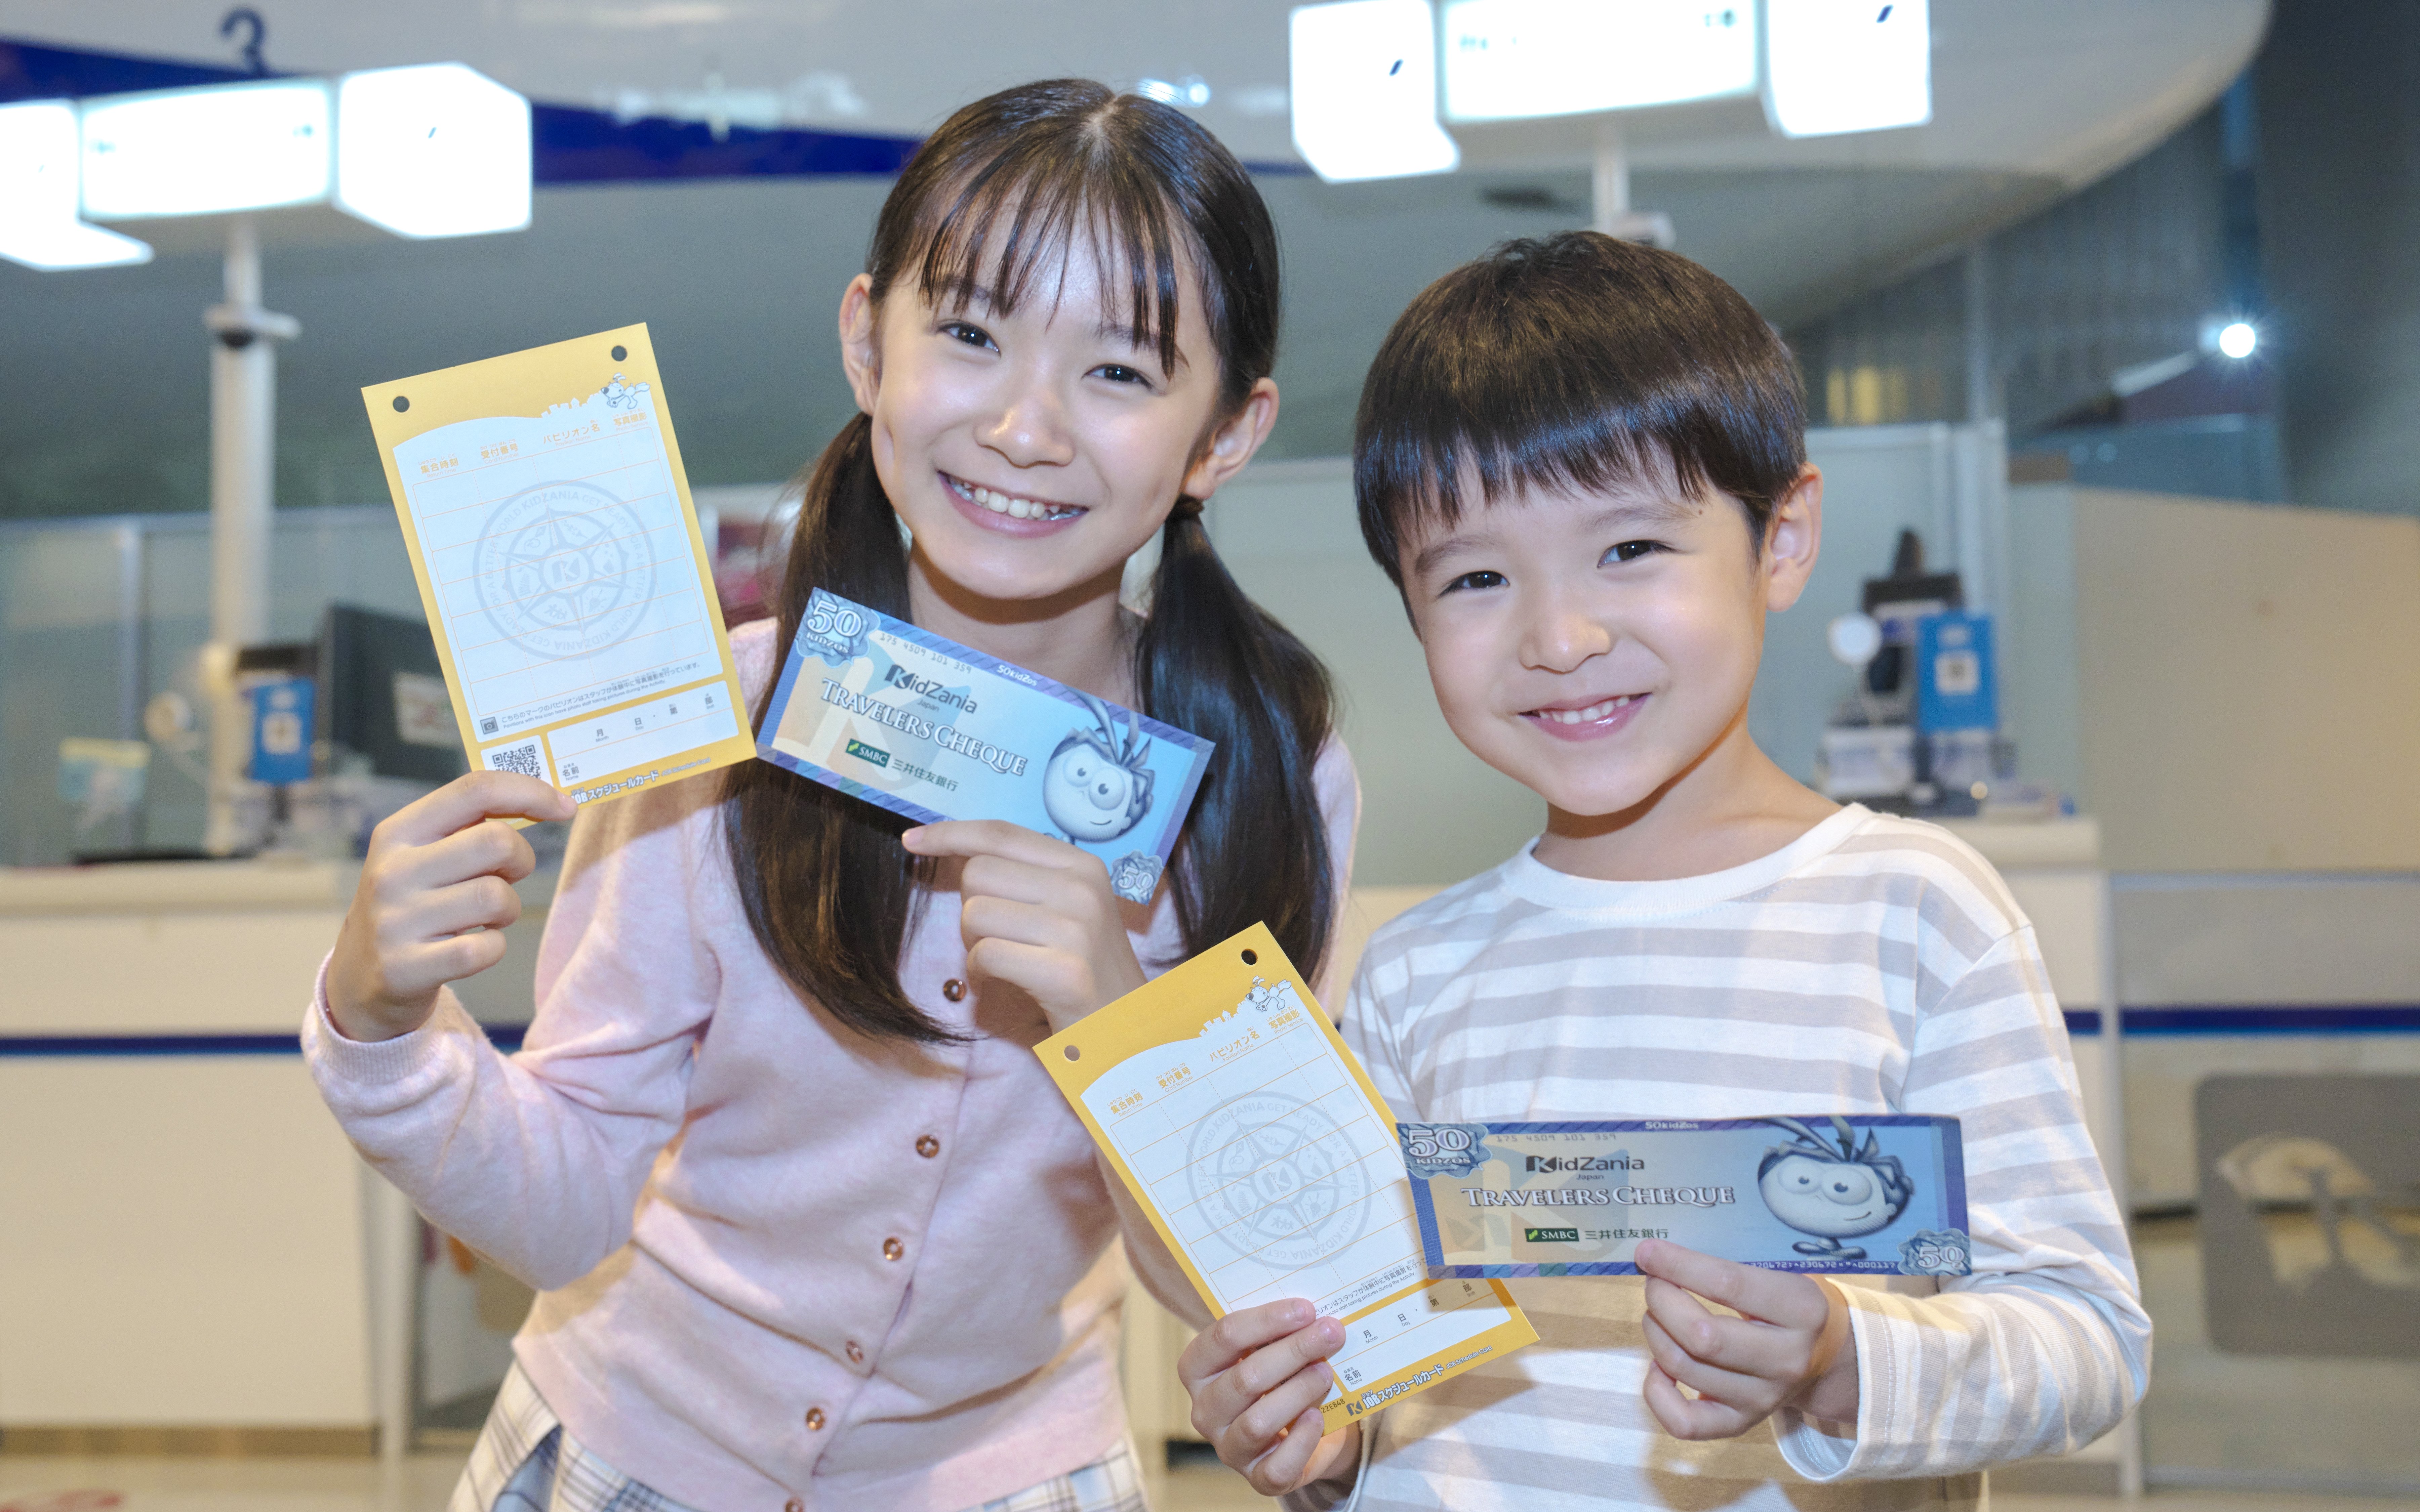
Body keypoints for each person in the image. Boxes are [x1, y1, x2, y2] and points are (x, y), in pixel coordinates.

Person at [307, 80, 1358, 1512]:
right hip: (633, 1453)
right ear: (871, 341)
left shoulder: (1270, 777)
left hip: (1013, 1473)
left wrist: (1125, 1030)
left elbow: (1241, 1279)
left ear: (1225, 436)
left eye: (1120, 372)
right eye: (972, 335)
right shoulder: (718, 724)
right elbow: (561, 1211)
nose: (1028, 427)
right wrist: (380, 1027)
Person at [1178, 232, 2148, 1511]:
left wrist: (1836, 1356)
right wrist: (1316, 1438)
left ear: (1782, 538)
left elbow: (2085, 1334)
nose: (1562, 637)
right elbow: (1393, 1379)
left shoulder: (1916, 912)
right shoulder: (1418, 971)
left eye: (1630, 549)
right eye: (1476, 577)